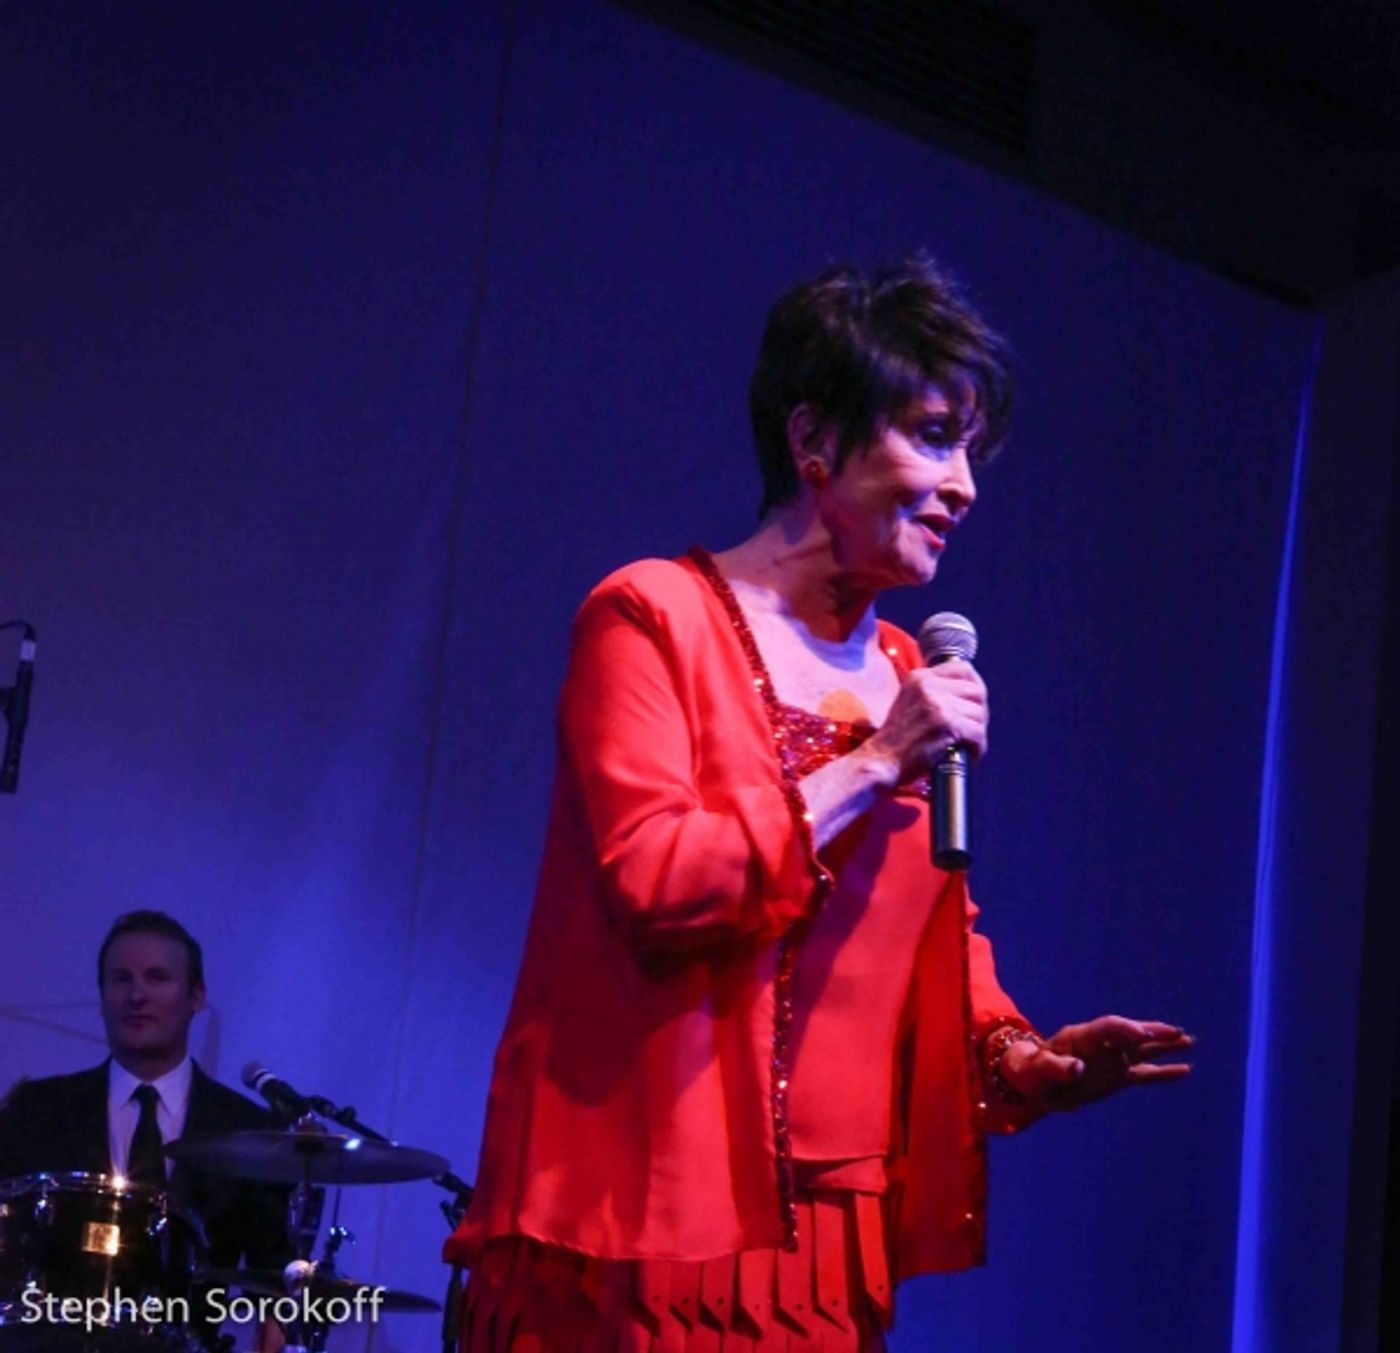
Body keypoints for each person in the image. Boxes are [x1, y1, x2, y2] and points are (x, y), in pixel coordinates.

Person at [443, 254, 1193, 1350]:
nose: (964, 489)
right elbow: (657, 883)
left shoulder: (905, 671)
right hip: (643, 1205)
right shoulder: (650, 616)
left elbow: (941, 938)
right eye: (934, 437)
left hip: (825, 1240)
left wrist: (1018, 1059)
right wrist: (872, 760)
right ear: (813, 442)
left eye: (970, 452)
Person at [0, 910, 291, 1347]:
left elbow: (274, 1280)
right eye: (121, 979)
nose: (137, 994)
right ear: (101, 999)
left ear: (195, 996)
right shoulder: (36, 1109)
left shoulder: (248, 1130)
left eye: (157, 978)